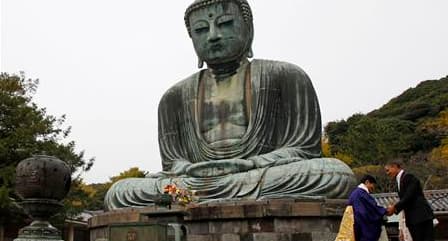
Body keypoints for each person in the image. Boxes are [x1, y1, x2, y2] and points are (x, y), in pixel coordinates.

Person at [104, 0, 357, 210]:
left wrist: (251, 164)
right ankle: (205, 196)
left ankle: (204, 199)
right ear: (191, 38)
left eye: (225, 24)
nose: (213, 36)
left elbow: (304, 149)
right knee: (120, 192)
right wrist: (191, 169)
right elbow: (173, 164)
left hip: (262, 174)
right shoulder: (174, 97)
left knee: (334, 175)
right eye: (201, 30)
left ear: (248, 29)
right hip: (197, 181)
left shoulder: (286, 76)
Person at [384, 161, 435, 241]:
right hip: (413, 219)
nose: (387, 173)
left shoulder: (409, 177)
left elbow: (409, 196)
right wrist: (395, 208)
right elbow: (405, 199)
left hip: (421, 216)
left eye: (388, 170)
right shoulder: (399, 180)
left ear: (395, 167)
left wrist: (394, 207)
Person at [335, 175, 387, 241]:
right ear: (367, 182)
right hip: (356, 228)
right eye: (373, 185)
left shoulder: (357, 193)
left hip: (350, 227)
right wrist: (384, 211)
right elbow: (368, 210)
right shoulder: (360, 194)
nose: (373, 188)